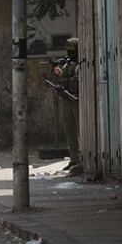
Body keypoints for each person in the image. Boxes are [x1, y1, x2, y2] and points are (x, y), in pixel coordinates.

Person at [51, 38, 81, 171]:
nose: (70, 52)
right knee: (70, 131)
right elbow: (62, 77)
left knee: (80, 130)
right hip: (67, 100)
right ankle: (74, 158)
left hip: (76, 101)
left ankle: (82, 159)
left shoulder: (80, 64)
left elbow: (77, 81)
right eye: (68, 49)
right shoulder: (67, 64)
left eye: (72, 49)